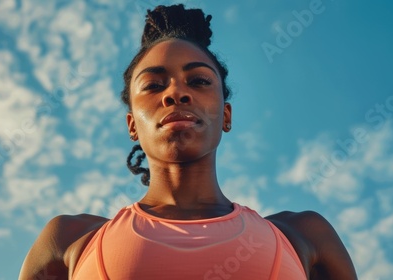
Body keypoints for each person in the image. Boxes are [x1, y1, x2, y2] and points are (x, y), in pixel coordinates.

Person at [19, 4, 357, 280]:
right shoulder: (68, 240)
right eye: (153, 85)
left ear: (226, 116)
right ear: (132, 125)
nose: (176, 93)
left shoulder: (303, 236)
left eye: (198, 81)